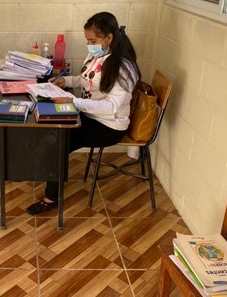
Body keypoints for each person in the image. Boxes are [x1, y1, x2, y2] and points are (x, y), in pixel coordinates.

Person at [26, 11, 141, 215]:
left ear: (109, 38)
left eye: (93, 40)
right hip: (89, 115)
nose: (89, 45)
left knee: (59, 139)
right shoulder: (99, 55)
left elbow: (111, 106)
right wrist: (68, 81)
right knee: (53, 128)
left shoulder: (124, 68)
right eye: (87, 40)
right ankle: (46, 174)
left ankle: (51, 197)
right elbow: (86, 79)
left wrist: (75, 102)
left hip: (108, 126)